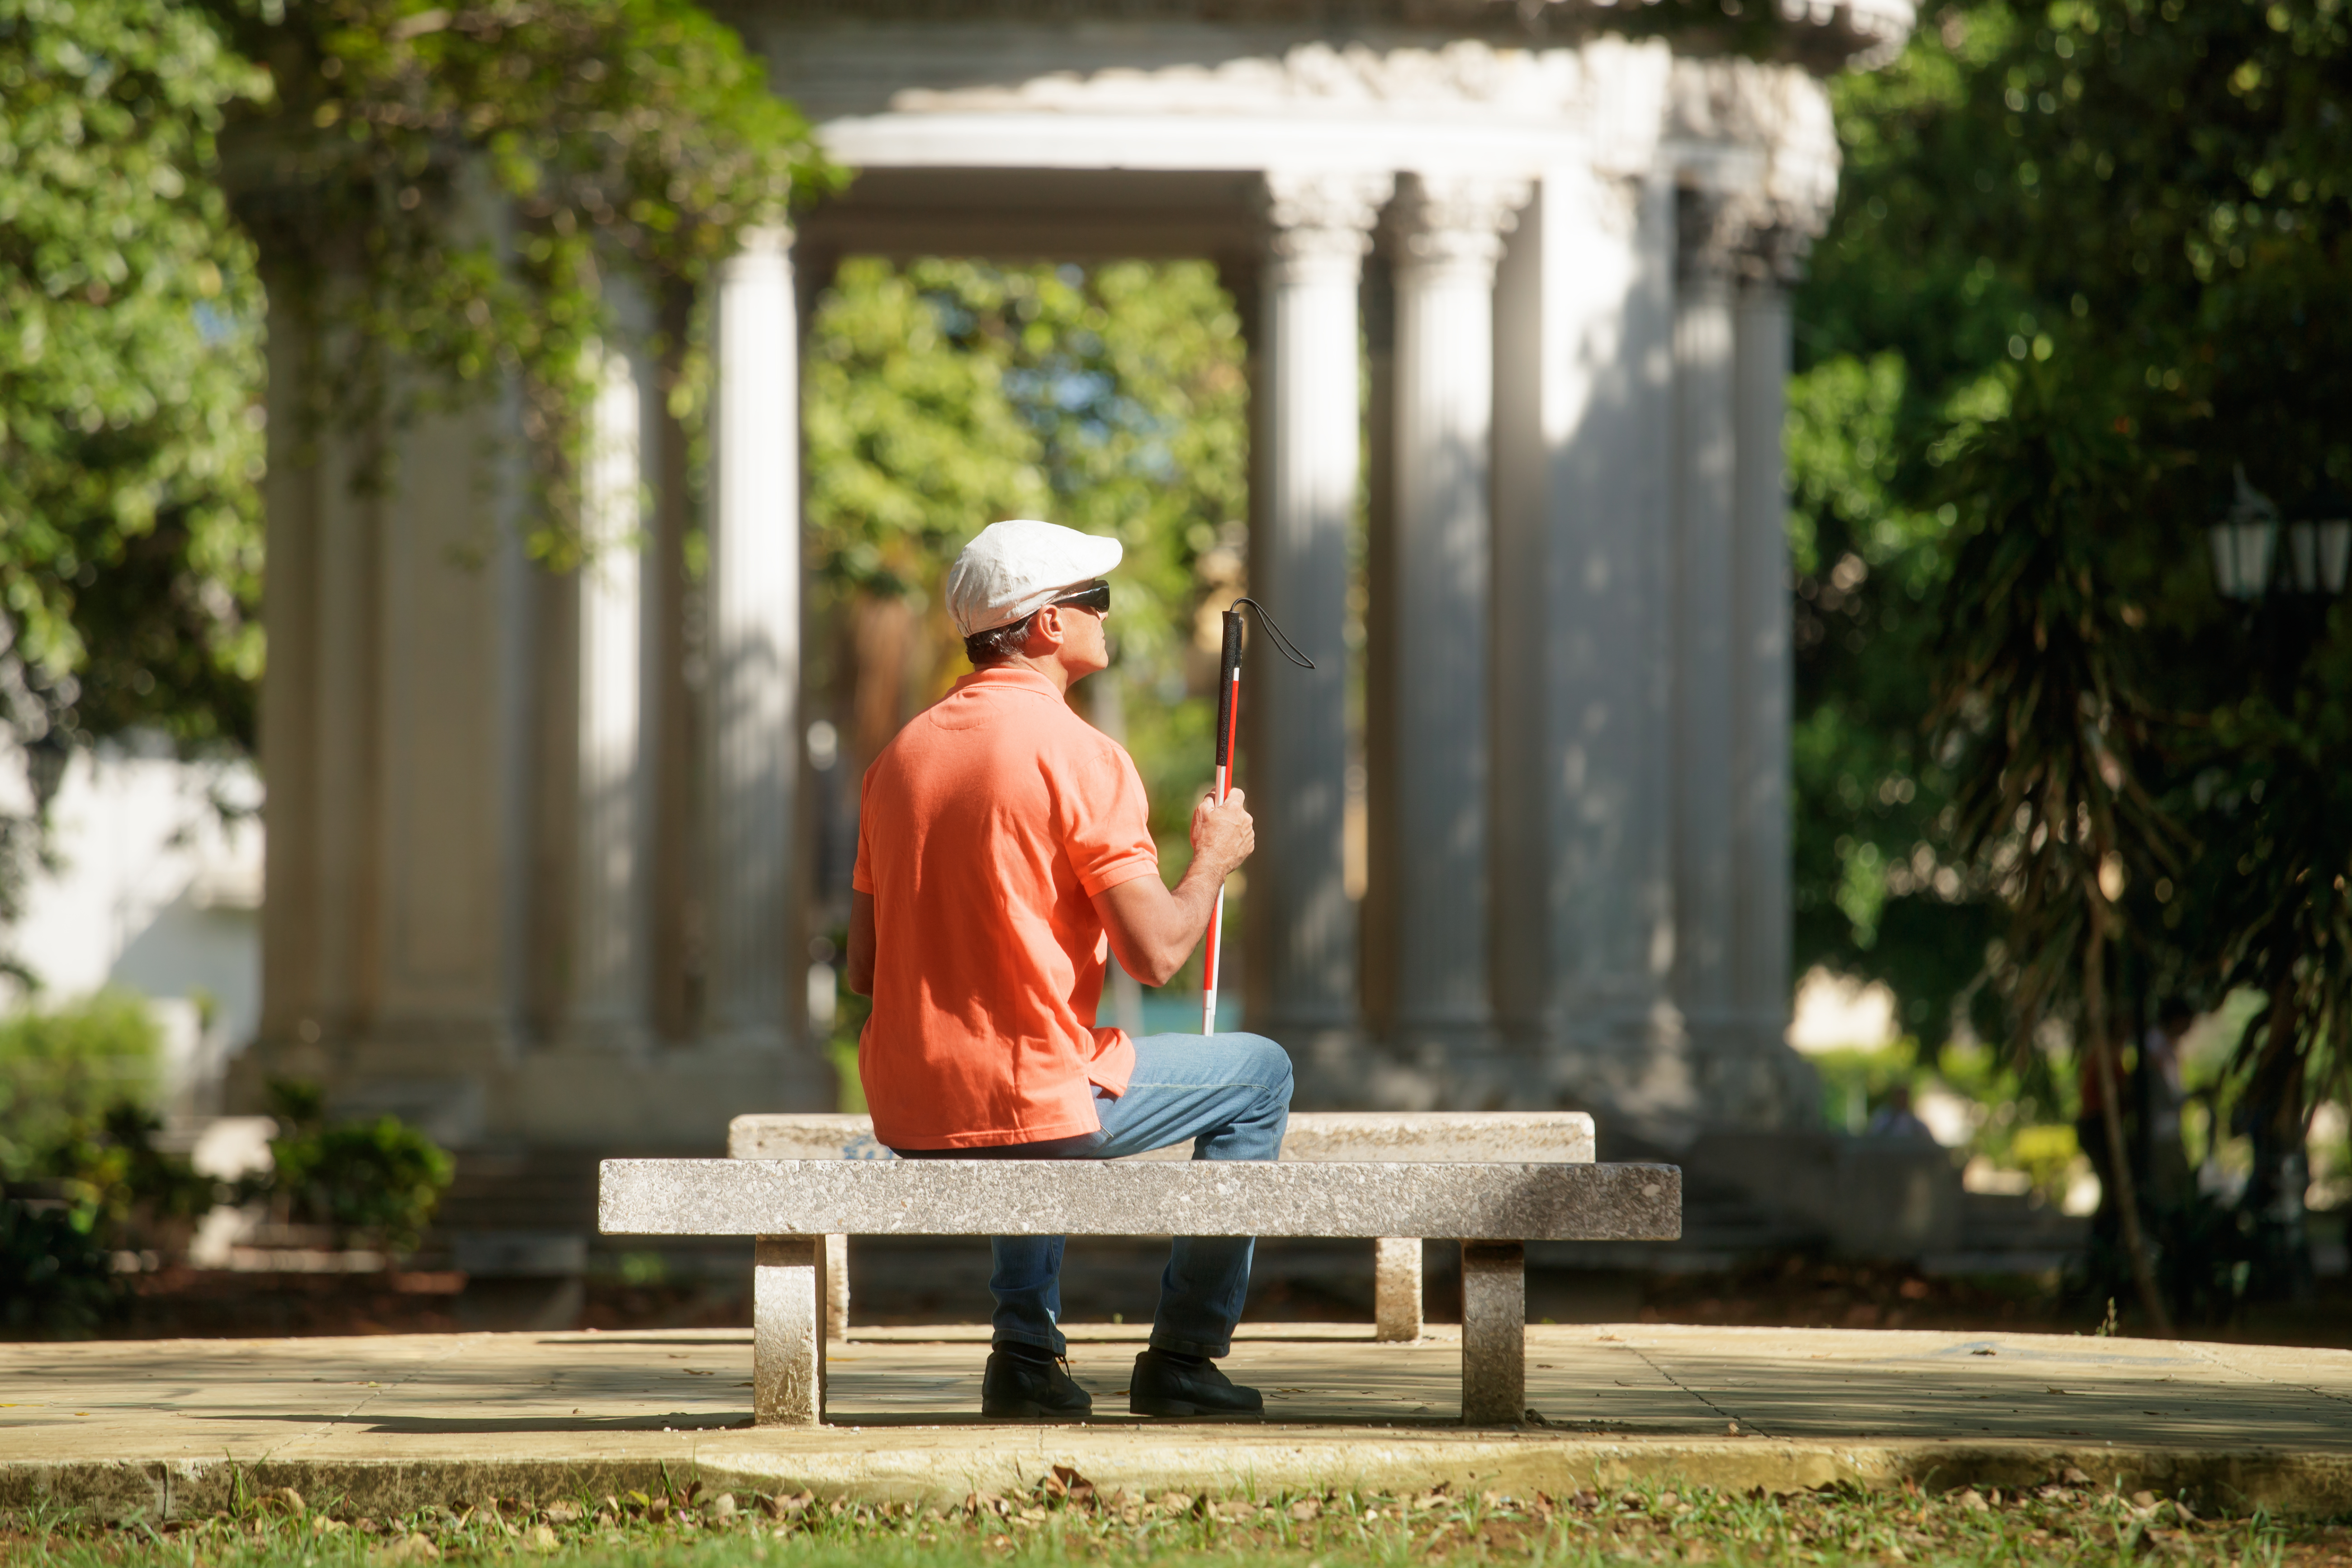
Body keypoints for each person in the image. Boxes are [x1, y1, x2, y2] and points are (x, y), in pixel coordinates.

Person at [845, 518, 1293, 1421]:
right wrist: (1212, 858)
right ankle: (1183, 1356)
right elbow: (1157, 953)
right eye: (1095, 600)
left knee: (1046, 1057)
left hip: (909, 1103)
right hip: (1025, 1100)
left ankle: (1023, 1357)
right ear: (1048, 625)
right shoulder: (1081, 755)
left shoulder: (897, 761)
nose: (1105, 616)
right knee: (1259, 1073)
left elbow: (864, 965)